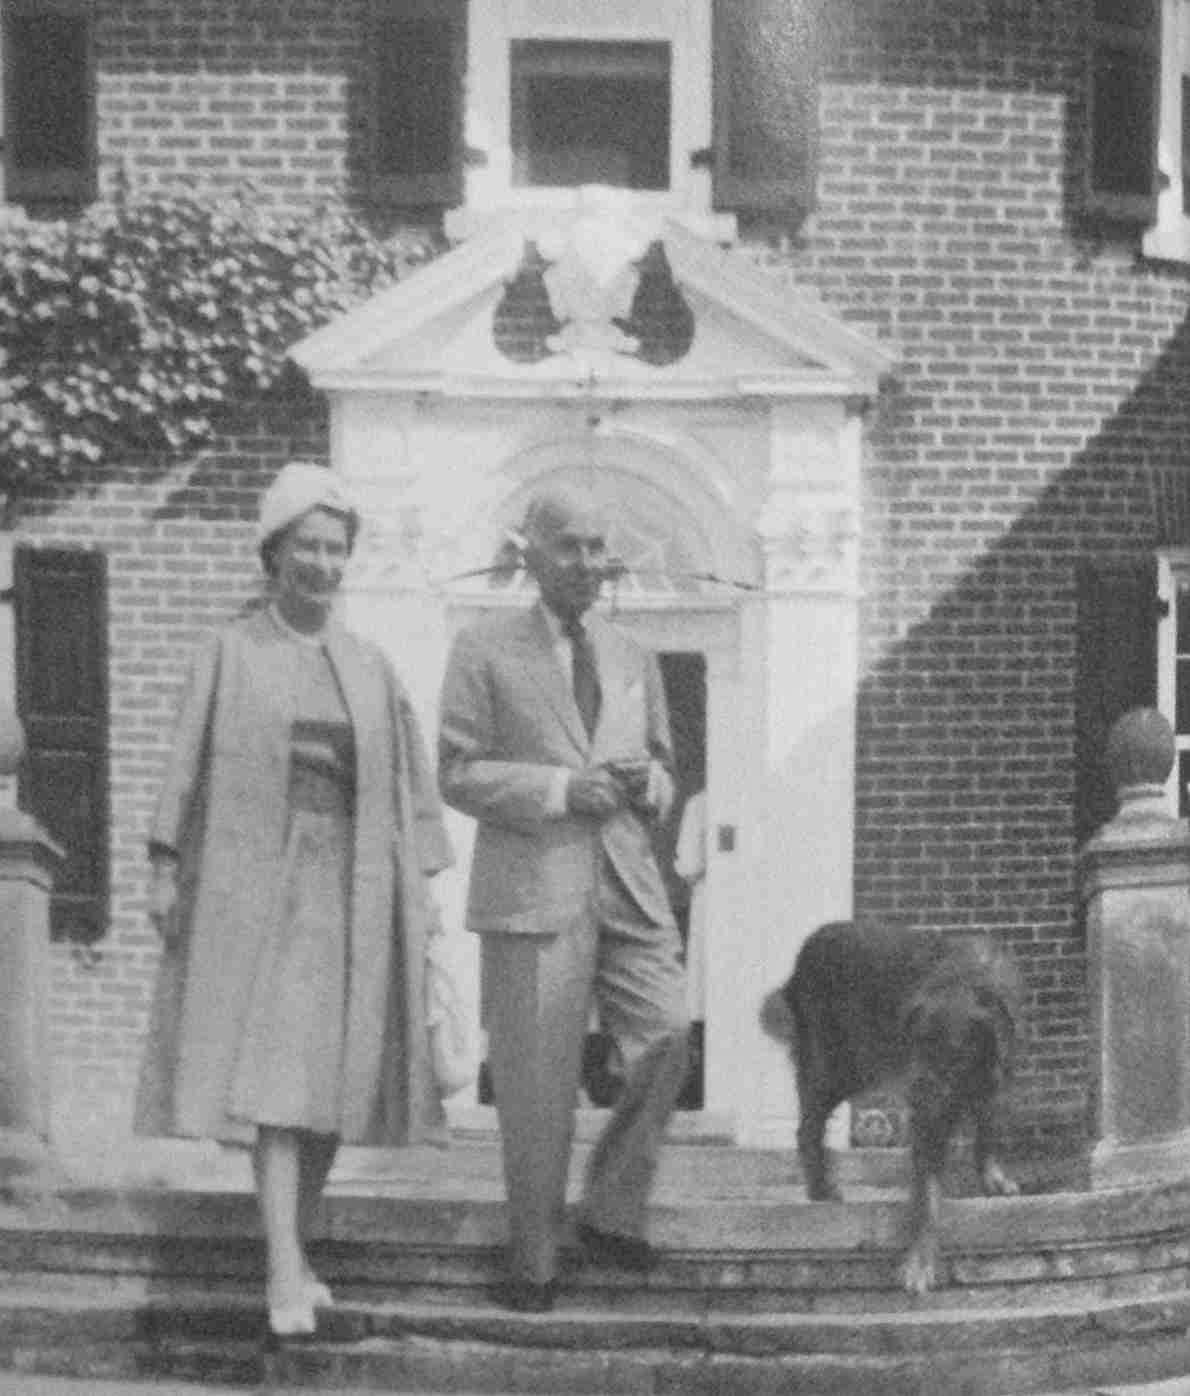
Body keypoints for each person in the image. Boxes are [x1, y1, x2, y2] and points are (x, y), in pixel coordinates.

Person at [135, 461, 452, 1338]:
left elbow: (414, 785)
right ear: (273, 554)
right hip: (260, 884)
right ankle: (281, 1266)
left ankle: (299, 1251)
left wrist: (421, 895)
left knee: (331, 1089)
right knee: (276, 1084)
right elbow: (184, 762)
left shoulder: (368, 662)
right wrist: (163, 864)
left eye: (335, 547)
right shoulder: (231, 648)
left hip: (355, 886)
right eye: (305, 546)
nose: (321, 562)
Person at [437, 480, 690, 1313]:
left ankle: (613, 1209)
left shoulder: (632, 655)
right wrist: (557, 789)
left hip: (625, 879)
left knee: (665, 1036)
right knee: (537, 1079)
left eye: (596, 547)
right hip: (533, 884)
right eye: (569, 547)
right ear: (529, 553)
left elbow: (661, 765)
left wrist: (650, 782)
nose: (588, 563)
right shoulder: (483, 648)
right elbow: (458, 771)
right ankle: (533, 1261)